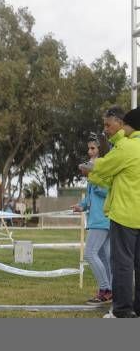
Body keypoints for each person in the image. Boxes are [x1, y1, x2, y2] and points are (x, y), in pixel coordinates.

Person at [88, 107, 140, 318]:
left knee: (122, 265)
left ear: (128, 125)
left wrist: (90, 167)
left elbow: (103, 167)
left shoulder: (127, 147)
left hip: (125, 215)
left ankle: (121, 310)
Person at [73, 133, 111, 305]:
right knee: (104, 257)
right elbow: (91, 197)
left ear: (100, 149)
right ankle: (110, 290)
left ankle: (106, 290)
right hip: (97, 218)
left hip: (102, 219)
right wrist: (81, 205)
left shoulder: (105, 166)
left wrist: (92, 178)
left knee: (89, 254)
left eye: (93, 148)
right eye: (88, 148)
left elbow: (106, 192)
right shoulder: (93, 166)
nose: (89, 152)